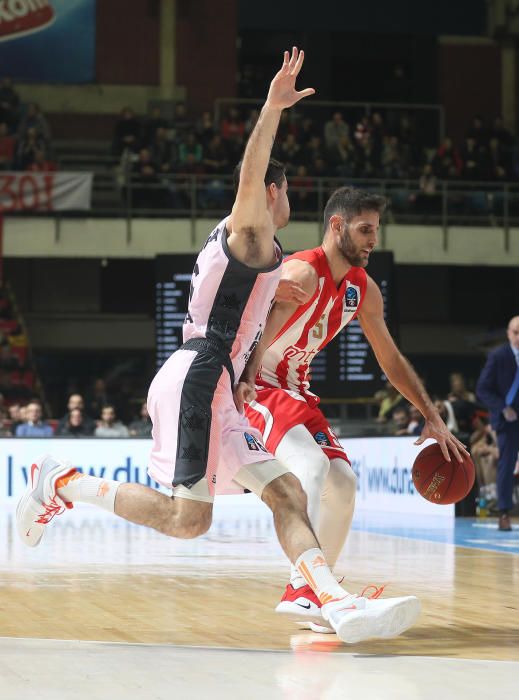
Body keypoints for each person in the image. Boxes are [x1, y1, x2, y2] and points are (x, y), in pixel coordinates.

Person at [17, 49, 420, 644]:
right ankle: (61, 482)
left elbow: (255, 322)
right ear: (273, 192)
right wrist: (271, 109)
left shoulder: (267, 255)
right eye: (283, 191)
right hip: (197, 375)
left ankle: (329, 600)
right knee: (187, 518)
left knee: (278, 495)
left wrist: (250, 367)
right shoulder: (253, 234)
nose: (287, 200)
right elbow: (249, 175)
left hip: (221, 385)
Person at [243, 185, 468, 631]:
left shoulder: (363, 290)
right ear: (337, 225)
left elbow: (390, 360)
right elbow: (253, 330)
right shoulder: (302, 272)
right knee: (308, 466)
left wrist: (431, 414)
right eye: (365, 229)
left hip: (297, 390)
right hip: (258, 384)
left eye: (376, 231)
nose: (373, 240)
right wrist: (242, 382)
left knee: (344, 483)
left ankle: (309, 595)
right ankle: (307, 586)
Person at [476, 316, 519, 531]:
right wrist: (503, 407)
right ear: (508, 333)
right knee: (507, 464)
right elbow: (483, 389)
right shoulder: (498, 356)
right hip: (507, 420)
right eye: (515, 332)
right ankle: (504, 512)